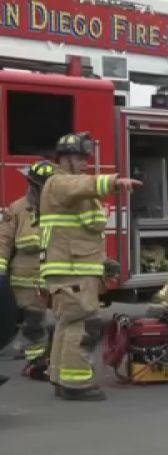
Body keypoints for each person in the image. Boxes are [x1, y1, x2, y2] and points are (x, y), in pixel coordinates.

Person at [40, 132, 142, 400]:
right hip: (72, 270)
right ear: (63, 159)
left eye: (85, 158)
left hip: (76, 268)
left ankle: (62, 379)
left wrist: (101, 264)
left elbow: (85, 231)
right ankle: (77, 385)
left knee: (68, 323)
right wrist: (115, 181)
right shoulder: (59, 182)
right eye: (77, 157)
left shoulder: (67, 187)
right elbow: (81, 186)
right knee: (82, 326)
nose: (84, 163)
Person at [0, 160, 56, 380]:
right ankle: (36, 362)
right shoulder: (17, 209)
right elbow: (4, 240)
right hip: (25, 278)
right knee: (32, 321)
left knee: (64, 320)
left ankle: (45, 359)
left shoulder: (57, 208)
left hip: (53, 275)